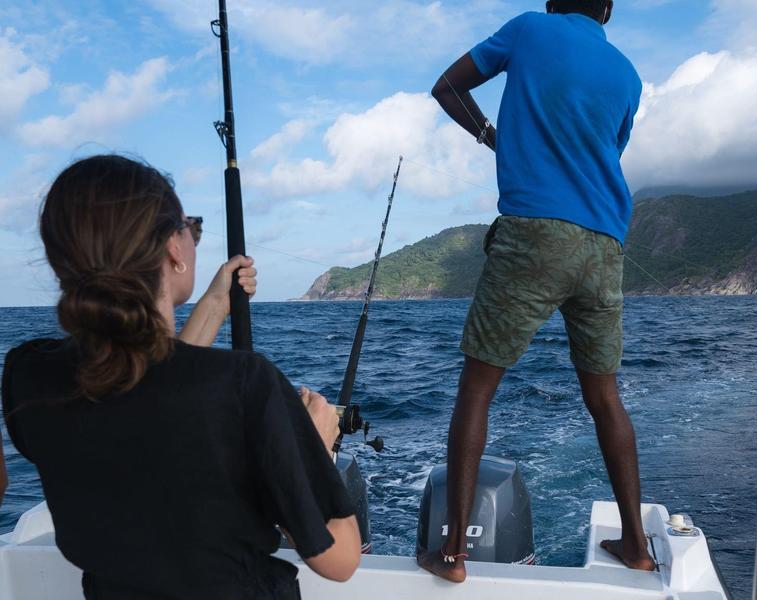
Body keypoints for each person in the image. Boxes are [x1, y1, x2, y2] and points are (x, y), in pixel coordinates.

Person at [1, 155, 361, 599]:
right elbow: (338, 560)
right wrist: (314, 447)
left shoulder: (27, 375)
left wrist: (215, 303)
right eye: (192, 228)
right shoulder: (247, 382)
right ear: (173, 248)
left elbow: (149, 397)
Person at [417, 0, 654, 582]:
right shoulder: (628, 74)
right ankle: (638, 545)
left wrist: (490, 135)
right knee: (605, 398)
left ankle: (452, 554)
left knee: (477, 390)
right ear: (607, 9)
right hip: (604, 242)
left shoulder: (528, 29)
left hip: (533, 233)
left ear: (553, 1)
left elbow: (447, 86)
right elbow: (606, 151)